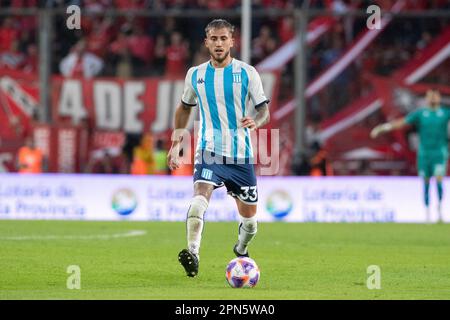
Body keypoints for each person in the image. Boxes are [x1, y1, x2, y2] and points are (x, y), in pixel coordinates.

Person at [167, 19, 270, 277]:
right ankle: (193, 253)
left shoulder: (247, 73)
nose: (219, 43)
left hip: (241, 157)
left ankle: (241, 248)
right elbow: (184, 107)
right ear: (206, 42)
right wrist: (176, 142)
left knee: (250, 222)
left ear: (232, 41)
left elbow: (263, 110)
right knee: (199, 198)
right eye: (214, 38)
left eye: (224, 38)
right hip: (209, 151)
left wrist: (255, 121)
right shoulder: (196, 74)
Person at [371, 89, 449, 223]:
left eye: (435, 96)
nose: (432, 98)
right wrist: (384, 127)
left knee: (439, 180)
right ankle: (427, 213)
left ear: (439, 98)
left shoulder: (445, 113)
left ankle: (440, 211)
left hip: (439, 154)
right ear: (426, 98)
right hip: (424, 154)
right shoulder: (420, 114)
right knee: (425, 182)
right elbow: (402, 123)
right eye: (429, 96)